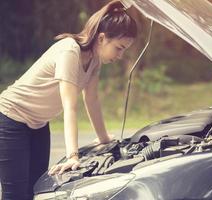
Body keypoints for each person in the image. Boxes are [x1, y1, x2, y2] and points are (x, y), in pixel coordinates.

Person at [0, 0, 137, 199]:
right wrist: (73, 156)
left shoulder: (94, 61)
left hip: (38, 124)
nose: (121, 55)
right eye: (119, 48)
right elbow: (70, 107)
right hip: (10, 118)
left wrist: (105, 138)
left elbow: (92, 101)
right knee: (16, 194)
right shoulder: (69, 51)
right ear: (101, 38)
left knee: (35, 191)